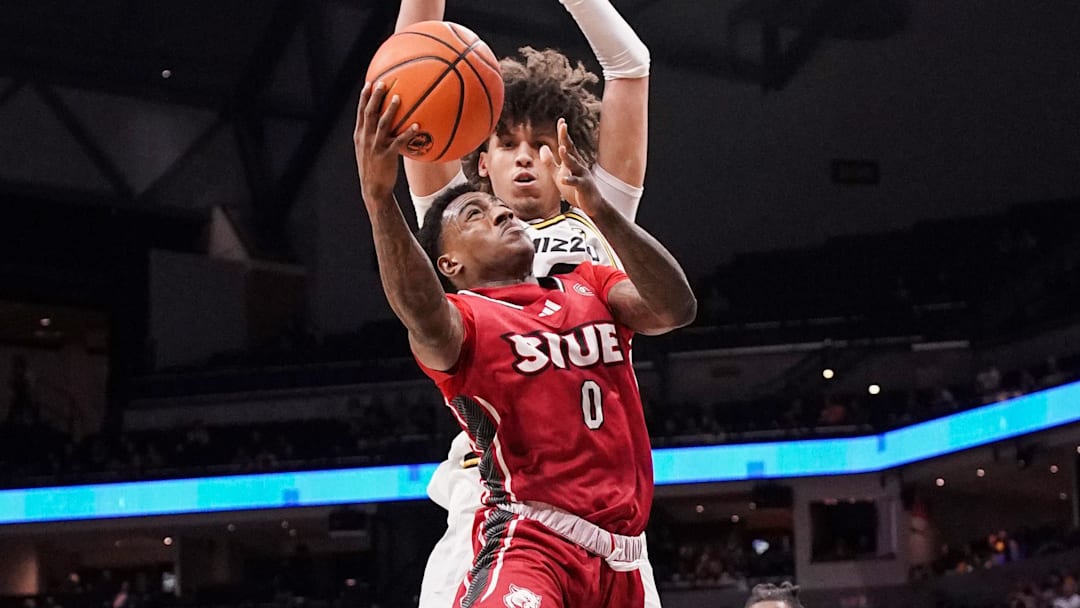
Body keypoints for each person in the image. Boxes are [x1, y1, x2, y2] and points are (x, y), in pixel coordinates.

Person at [354, 78, 695, 608]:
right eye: (477, 215)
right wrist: (379, 199)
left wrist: (601, 210)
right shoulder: (463, 323)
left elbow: (677, 309)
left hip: (622, 556)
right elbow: (419, 309)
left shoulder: (590, 283)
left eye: (498, 211)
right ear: (450, 265)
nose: (501, 212)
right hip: (532, 539)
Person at [393, 2, 656, 605]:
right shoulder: (459, 223)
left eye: (541, 143)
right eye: (506, 142)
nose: (525, 156)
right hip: (497, 504)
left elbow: (630, 65)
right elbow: (408, 79)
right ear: (479, 162)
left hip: (604, 516)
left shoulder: (599, 212)